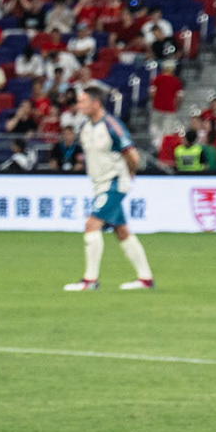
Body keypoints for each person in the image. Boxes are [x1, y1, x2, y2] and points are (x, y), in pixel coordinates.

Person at [63, 82, 155, 291]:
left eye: (83, 102)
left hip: (113, 183)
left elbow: (132, 155)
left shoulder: (111, 125)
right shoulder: (86, 127)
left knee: (91, 225)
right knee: (121, 231)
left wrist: (129, 175)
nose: (79, 106)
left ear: (96, 103)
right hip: (99, 184)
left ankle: (90, 280)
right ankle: (145, 279)